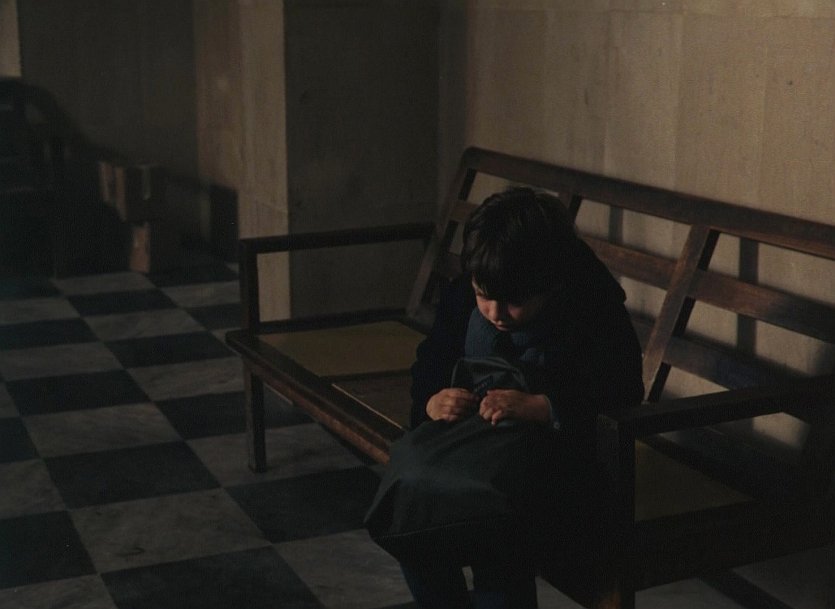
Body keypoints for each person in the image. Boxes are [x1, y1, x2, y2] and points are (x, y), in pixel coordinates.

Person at [398, 187, 644, 608]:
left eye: (514, 302)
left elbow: (621, 389)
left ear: (549, 284)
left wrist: (543, 406)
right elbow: (432, 359)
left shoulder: (590, 301)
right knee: (415, 520)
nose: (495, 313)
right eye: (484, 296)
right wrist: (433, 400)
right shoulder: (484, 272)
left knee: (499, 540)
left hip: (559, 464)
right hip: (475, 453)